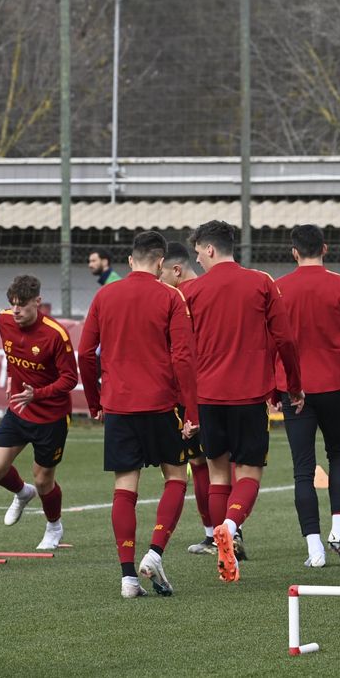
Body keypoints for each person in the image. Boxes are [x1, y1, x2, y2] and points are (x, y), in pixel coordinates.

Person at [78, 231, 201, 598]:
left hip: (119, 405)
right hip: (162, 404)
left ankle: (128, 578)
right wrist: (192, 410)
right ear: (161, 262)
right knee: (176, 478)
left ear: (131, 261)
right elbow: (183, 357)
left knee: (124, 487)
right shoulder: (171, 296)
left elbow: (85, 353)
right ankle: (155, 553)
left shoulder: (105, 295)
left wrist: (95, 401)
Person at [184, 220, 304, 582]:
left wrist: (189, 405)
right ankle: (231, 527)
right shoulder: (261, 282)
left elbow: (183, 352)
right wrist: (293, 385)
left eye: (198, 253)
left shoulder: (191, 291)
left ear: (209, 249)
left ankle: (221, 541)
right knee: (249, 473)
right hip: (249, 396)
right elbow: (285, 340)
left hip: (208, 396)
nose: (197, 260)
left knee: (218, 474)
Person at [275, 225, 340, 568]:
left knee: (303, 469)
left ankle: (314, 548)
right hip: (332, 386)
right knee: (339, 456)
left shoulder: (278, 287)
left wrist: (273, 388)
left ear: (294, 252)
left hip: (294, 390)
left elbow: (272, 342)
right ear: (325, 248)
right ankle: (339, 530)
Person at [0, 275, 77, 551]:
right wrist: (12, 381)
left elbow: (70, 379)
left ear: (37, 302)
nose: (16, 310)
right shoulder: (4, 320)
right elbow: (12, 356)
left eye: (22, 305)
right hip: (19, 409)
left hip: (51, 417)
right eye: (13, 304)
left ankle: (54, 527)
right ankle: (23, 493)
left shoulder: (55, 334)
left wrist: (38, 393)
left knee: (43, 479)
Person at [158, 241, 219, 555]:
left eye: (162, 275)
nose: (160, 281)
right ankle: (224, 532)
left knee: (201, 464)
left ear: (177, 270)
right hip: (220, 388)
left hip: (192, 393)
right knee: (217, 464)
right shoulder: (213, 290)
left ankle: (217, 534)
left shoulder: (179, 297)